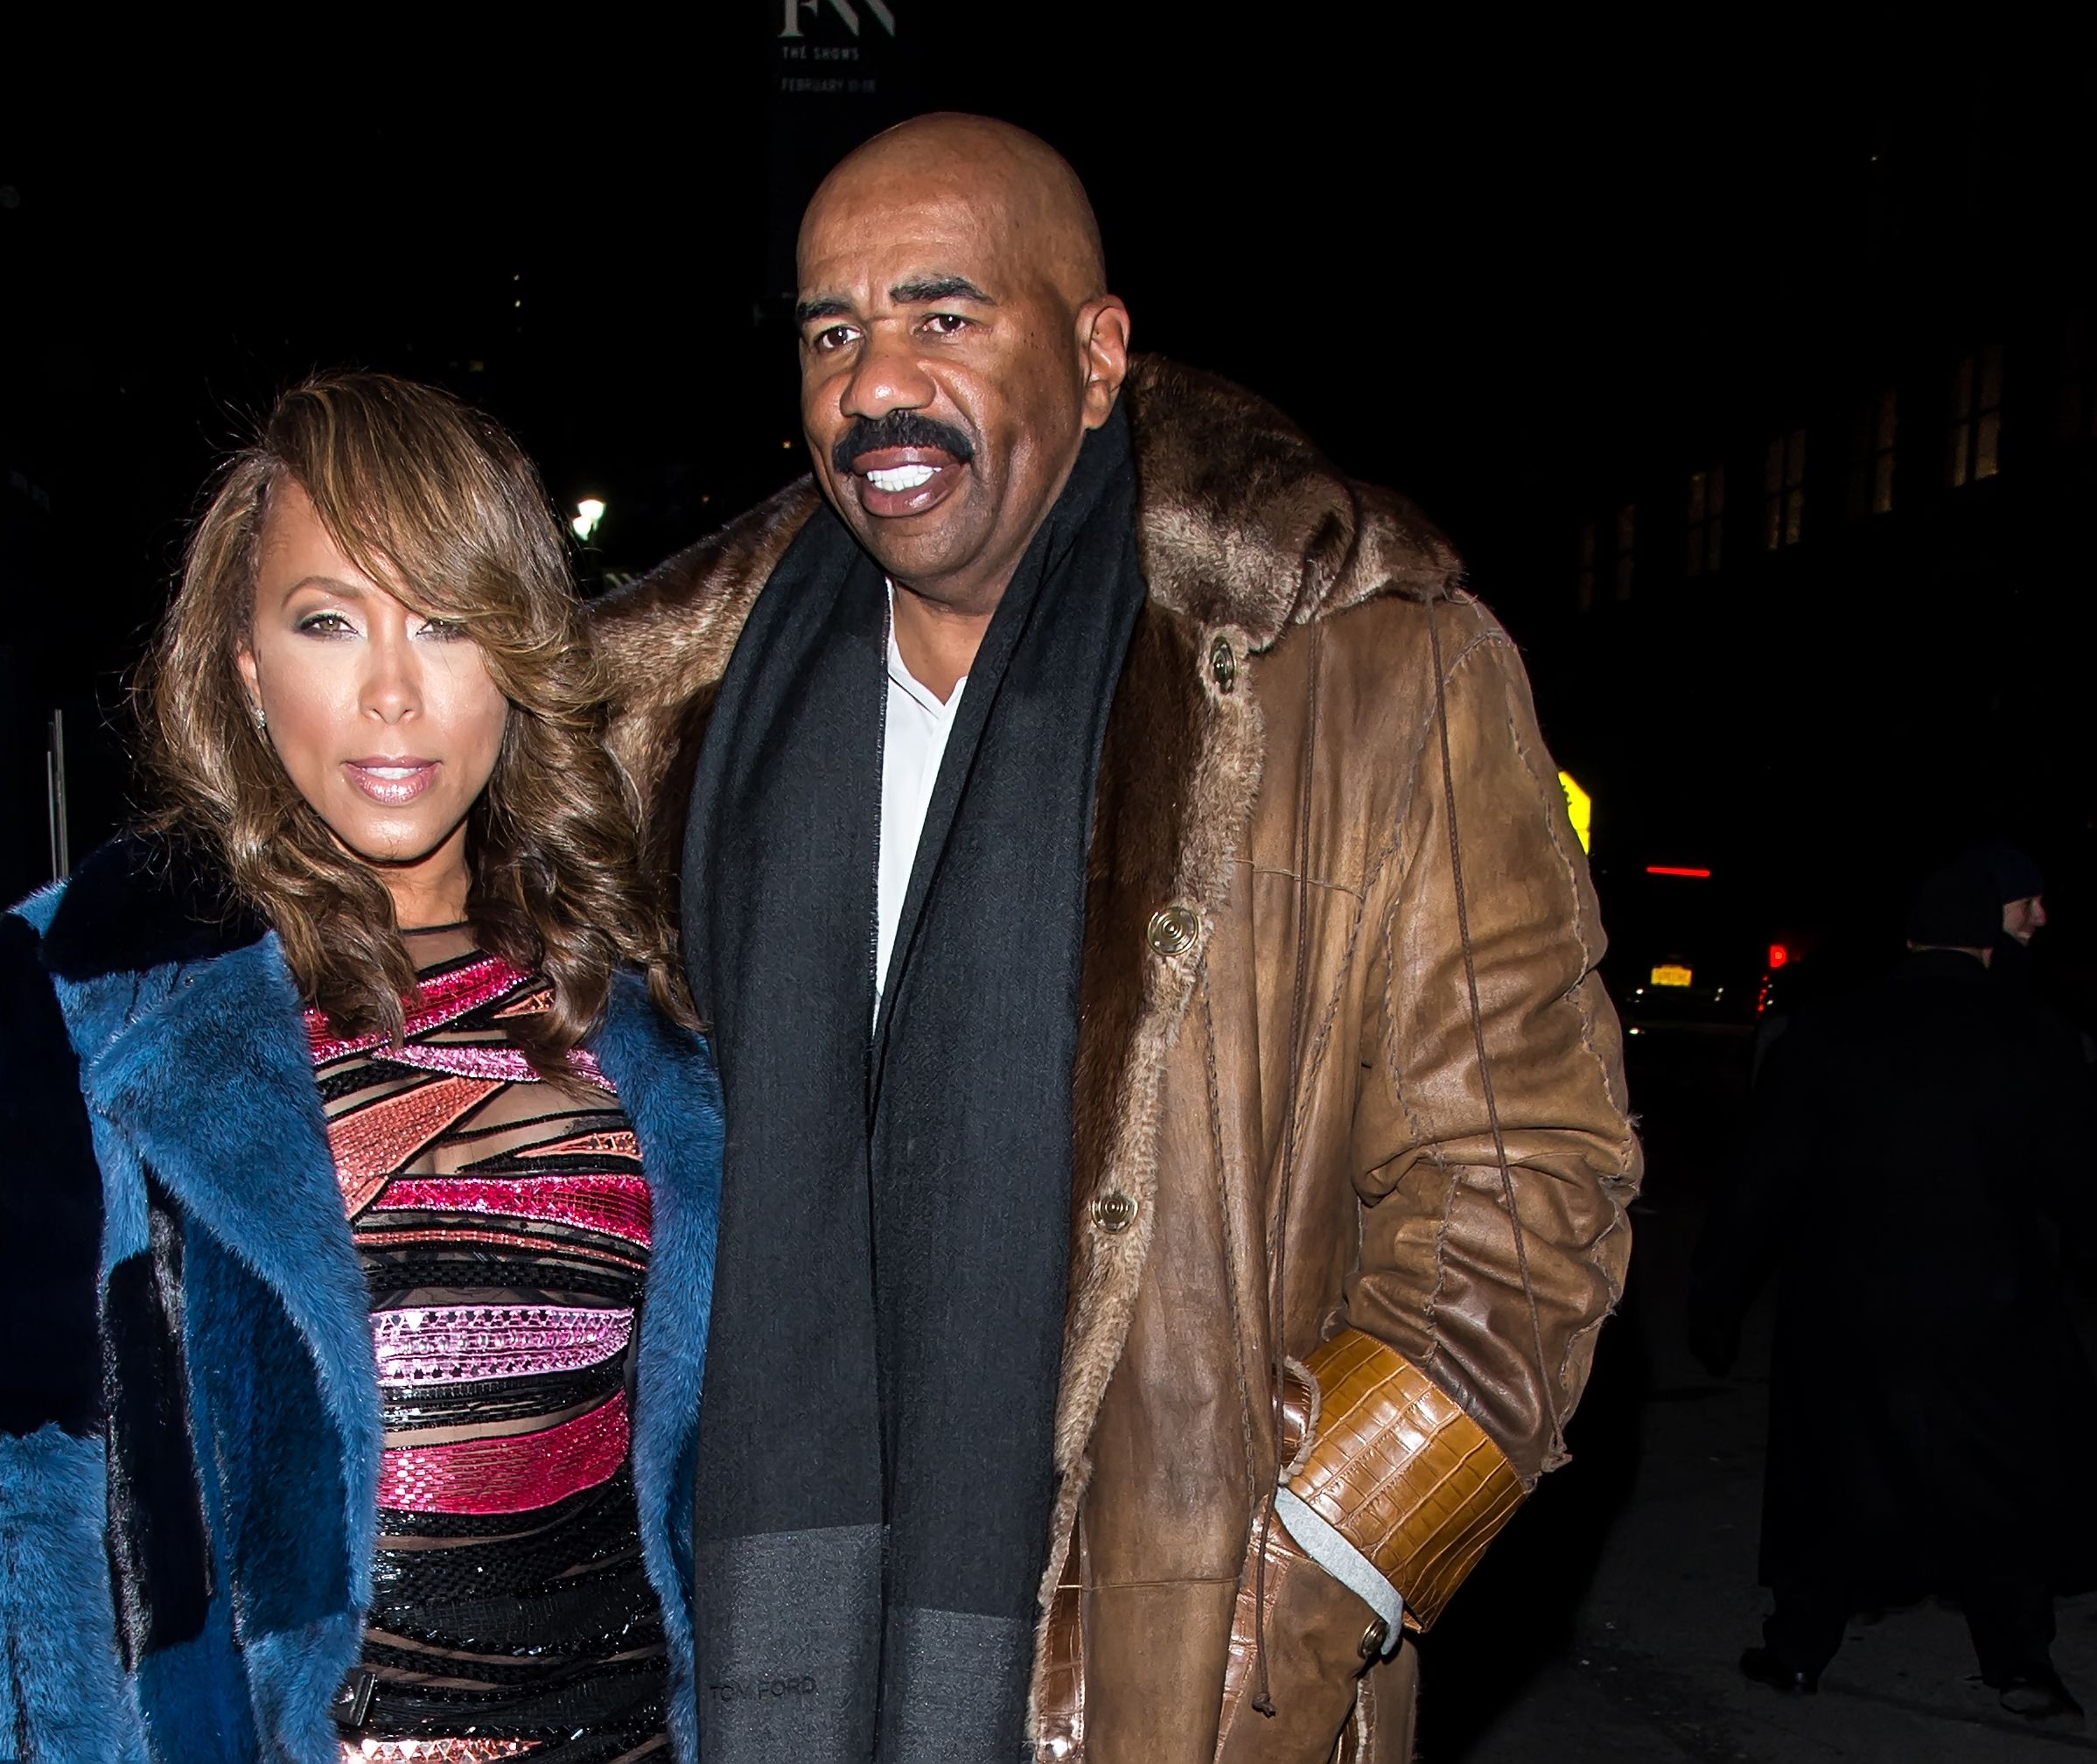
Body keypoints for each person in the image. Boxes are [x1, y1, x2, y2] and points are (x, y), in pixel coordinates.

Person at [593, 115, 1642, 1762]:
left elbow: (1529, 1193)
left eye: (944, 316)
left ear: (1096, 356)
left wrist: (1300, 1580)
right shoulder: (680, 733)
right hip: (750, 1673)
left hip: (1176, 1683)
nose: (876, 385)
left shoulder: (1366, 682)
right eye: (830, 331)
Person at [0, 373, 721, 1764]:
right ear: (243, 665)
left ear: (516, 661)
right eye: (328, 620)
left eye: (447, 623)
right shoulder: (93, 982)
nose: (393, 692)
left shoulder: (632, 983)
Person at [1690, 858, 2097, 1724]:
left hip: (1848, 1308)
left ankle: (1798, 1652)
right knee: (2001, 1482)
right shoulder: (2040, 1037)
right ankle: (2022, 1663)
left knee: (1833, 1473)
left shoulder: (1824, 1034)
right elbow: (2082, 1185)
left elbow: (1761, 1182)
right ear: (1988, 938)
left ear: (1910, 937)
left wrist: (1717, 1297)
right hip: (1992, 1306)